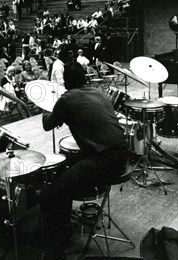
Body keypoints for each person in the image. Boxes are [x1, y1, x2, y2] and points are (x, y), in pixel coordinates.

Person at [39, 62, 128, 259]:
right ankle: (64, 226)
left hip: (105, 159)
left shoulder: (67, 98)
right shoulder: (97, 93)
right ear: (85, 78)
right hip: (121, 153)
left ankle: (56, 249)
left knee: (50, 194)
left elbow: (47, 124)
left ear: (66, 82)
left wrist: (45, 106)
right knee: (64, 174)